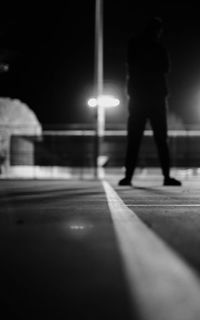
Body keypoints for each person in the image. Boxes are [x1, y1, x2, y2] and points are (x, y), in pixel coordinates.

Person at [119, 17, 181, 186]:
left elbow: (130, 63)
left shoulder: (134, 45)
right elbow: (166, 68)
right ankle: (166, 177)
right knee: (161, 140)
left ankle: (128, 177)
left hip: (138, 98)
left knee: (134, 140)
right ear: (157, 31)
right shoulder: (159, 47)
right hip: (155, 98)